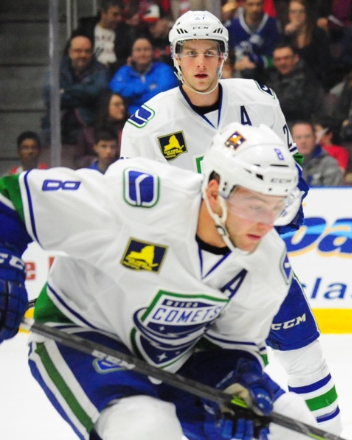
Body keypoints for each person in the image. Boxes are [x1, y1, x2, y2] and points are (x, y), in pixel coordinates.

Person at [0, 123, 318, 439]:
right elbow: (13, 201)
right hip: (84, 334)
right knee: (146, 427)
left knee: (291, 427)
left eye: (275, 207)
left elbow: (229, 347)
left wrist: (238, 380)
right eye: (254, 206)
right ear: (214, 192)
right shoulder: (139, 199)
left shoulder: (267, 260)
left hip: (180, 355)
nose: (265, 224)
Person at [118, 11, 344, 434]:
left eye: (209, 53)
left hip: (254, 252)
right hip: (188, 268)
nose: (200, 63)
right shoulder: (148, 126)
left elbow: (291, 165)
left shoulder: (258, 99)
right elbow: (131, 207)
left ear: (223, 58)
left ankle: (330, 429)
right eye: (190, 54)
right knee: (225, 365)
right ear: (175, 58)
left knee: (303, 347)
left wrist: (290, 204)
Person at [43, 34, 110, 145]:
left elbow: (94, 93)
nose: (83, 55)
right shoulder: (58, 69)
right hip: (57, 124)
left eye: (87, 51)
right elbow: (48, 95)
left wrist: (64, 91)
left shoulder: (100, 70)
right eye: (78, 51)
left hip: (87, 124)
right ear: (70, 52)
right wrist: (82, 96)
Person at [109, 36, 180, 116]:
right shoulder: (124, 71)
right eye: (138, 50)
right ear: (131, 53)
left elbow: (160, 97)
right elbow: (115, 88)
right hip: (129, 117)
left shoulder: (165, 70)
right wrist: (147, 87)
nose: (142, 54)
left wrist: (131, 98)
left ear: (153, 52)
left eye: (146, 49)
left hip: (160, 115)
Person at [261, 42, 325, 123]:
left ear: (296, 58)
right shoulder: (269, 80)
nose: (282, 63)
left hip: (302, 125)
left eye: (286, 58)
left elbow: (304, 110)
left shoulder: (309, 80)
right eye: (278, 59)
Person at [226, 0, 283, 77]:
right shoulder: (231, 26)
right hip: (238, 74)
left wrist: (255, 60)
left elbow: (276, 59)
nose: (255, 9)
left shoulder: (273, 25)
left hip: (268, 76)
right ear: (243, 5)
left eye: (258, 4)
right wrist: (234, 64)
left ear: (263, 4)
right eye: (250, 4)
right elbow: (225, 54)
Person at [74, 0, 136, 70]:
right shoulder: (85, 30)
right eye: (115, 15)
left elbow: (131, 58)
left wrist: (111, 66)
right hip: (90, 73)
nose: (119, 19)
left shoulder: (126, 32)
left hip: (117, 73)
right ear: (103, 13)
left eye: (120, 15)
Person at [282, 0, 331, 85]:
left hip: (313, 80)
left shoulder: (318, 34)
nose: (297, 15)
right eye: (293, 12)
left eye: (301, 12)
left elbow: (324, 63)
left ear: (307, 14)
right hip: (289, 80)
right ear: (289, 15)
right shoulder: (285, 36)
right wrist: (286, 36)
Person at [292, 120, 344, 187]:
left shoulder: (329, 163)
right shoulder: (284, 163)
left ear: (315, 138)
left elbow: (333, 194)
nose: (303, 141)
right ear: (291, 140)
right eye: (298, 137)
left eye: (307, 136)